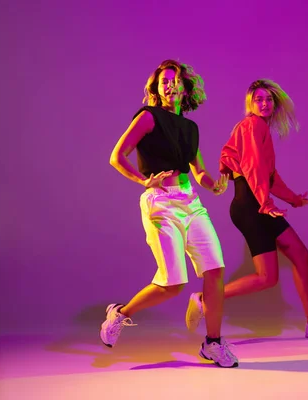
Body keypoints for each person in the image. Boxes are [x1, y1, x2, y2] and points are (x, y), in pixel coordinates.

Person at [100, 59, 239, 368]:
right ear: (156, 88)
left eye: (173, 80)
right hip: (160, 203)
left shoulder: (190, 128)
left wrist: (213, 185)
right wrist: (141, 180)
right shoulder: (149, 117)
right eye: (163, 81)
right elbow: (117, 156)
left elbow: (198, 170)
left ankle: (213, 343)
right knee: (173, 283)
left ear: (184, 88)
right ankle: (120, 314)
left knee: (215, 269)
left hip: (191, 202)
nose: (168, 85)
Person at [186, 79, 308, 339]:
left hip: (257, 204)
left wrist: (294, 199)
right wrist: (266, 202)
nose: (264, 103)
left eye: (268, 99)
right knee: (267, 277)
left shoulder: (260, 128)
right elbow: (252, 168)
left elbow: (269, 174)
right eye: (258, 99)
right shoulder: (252, 124)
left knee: (299, 254)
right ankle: (206, 297)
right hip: (251, 206)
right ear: (250, 103)